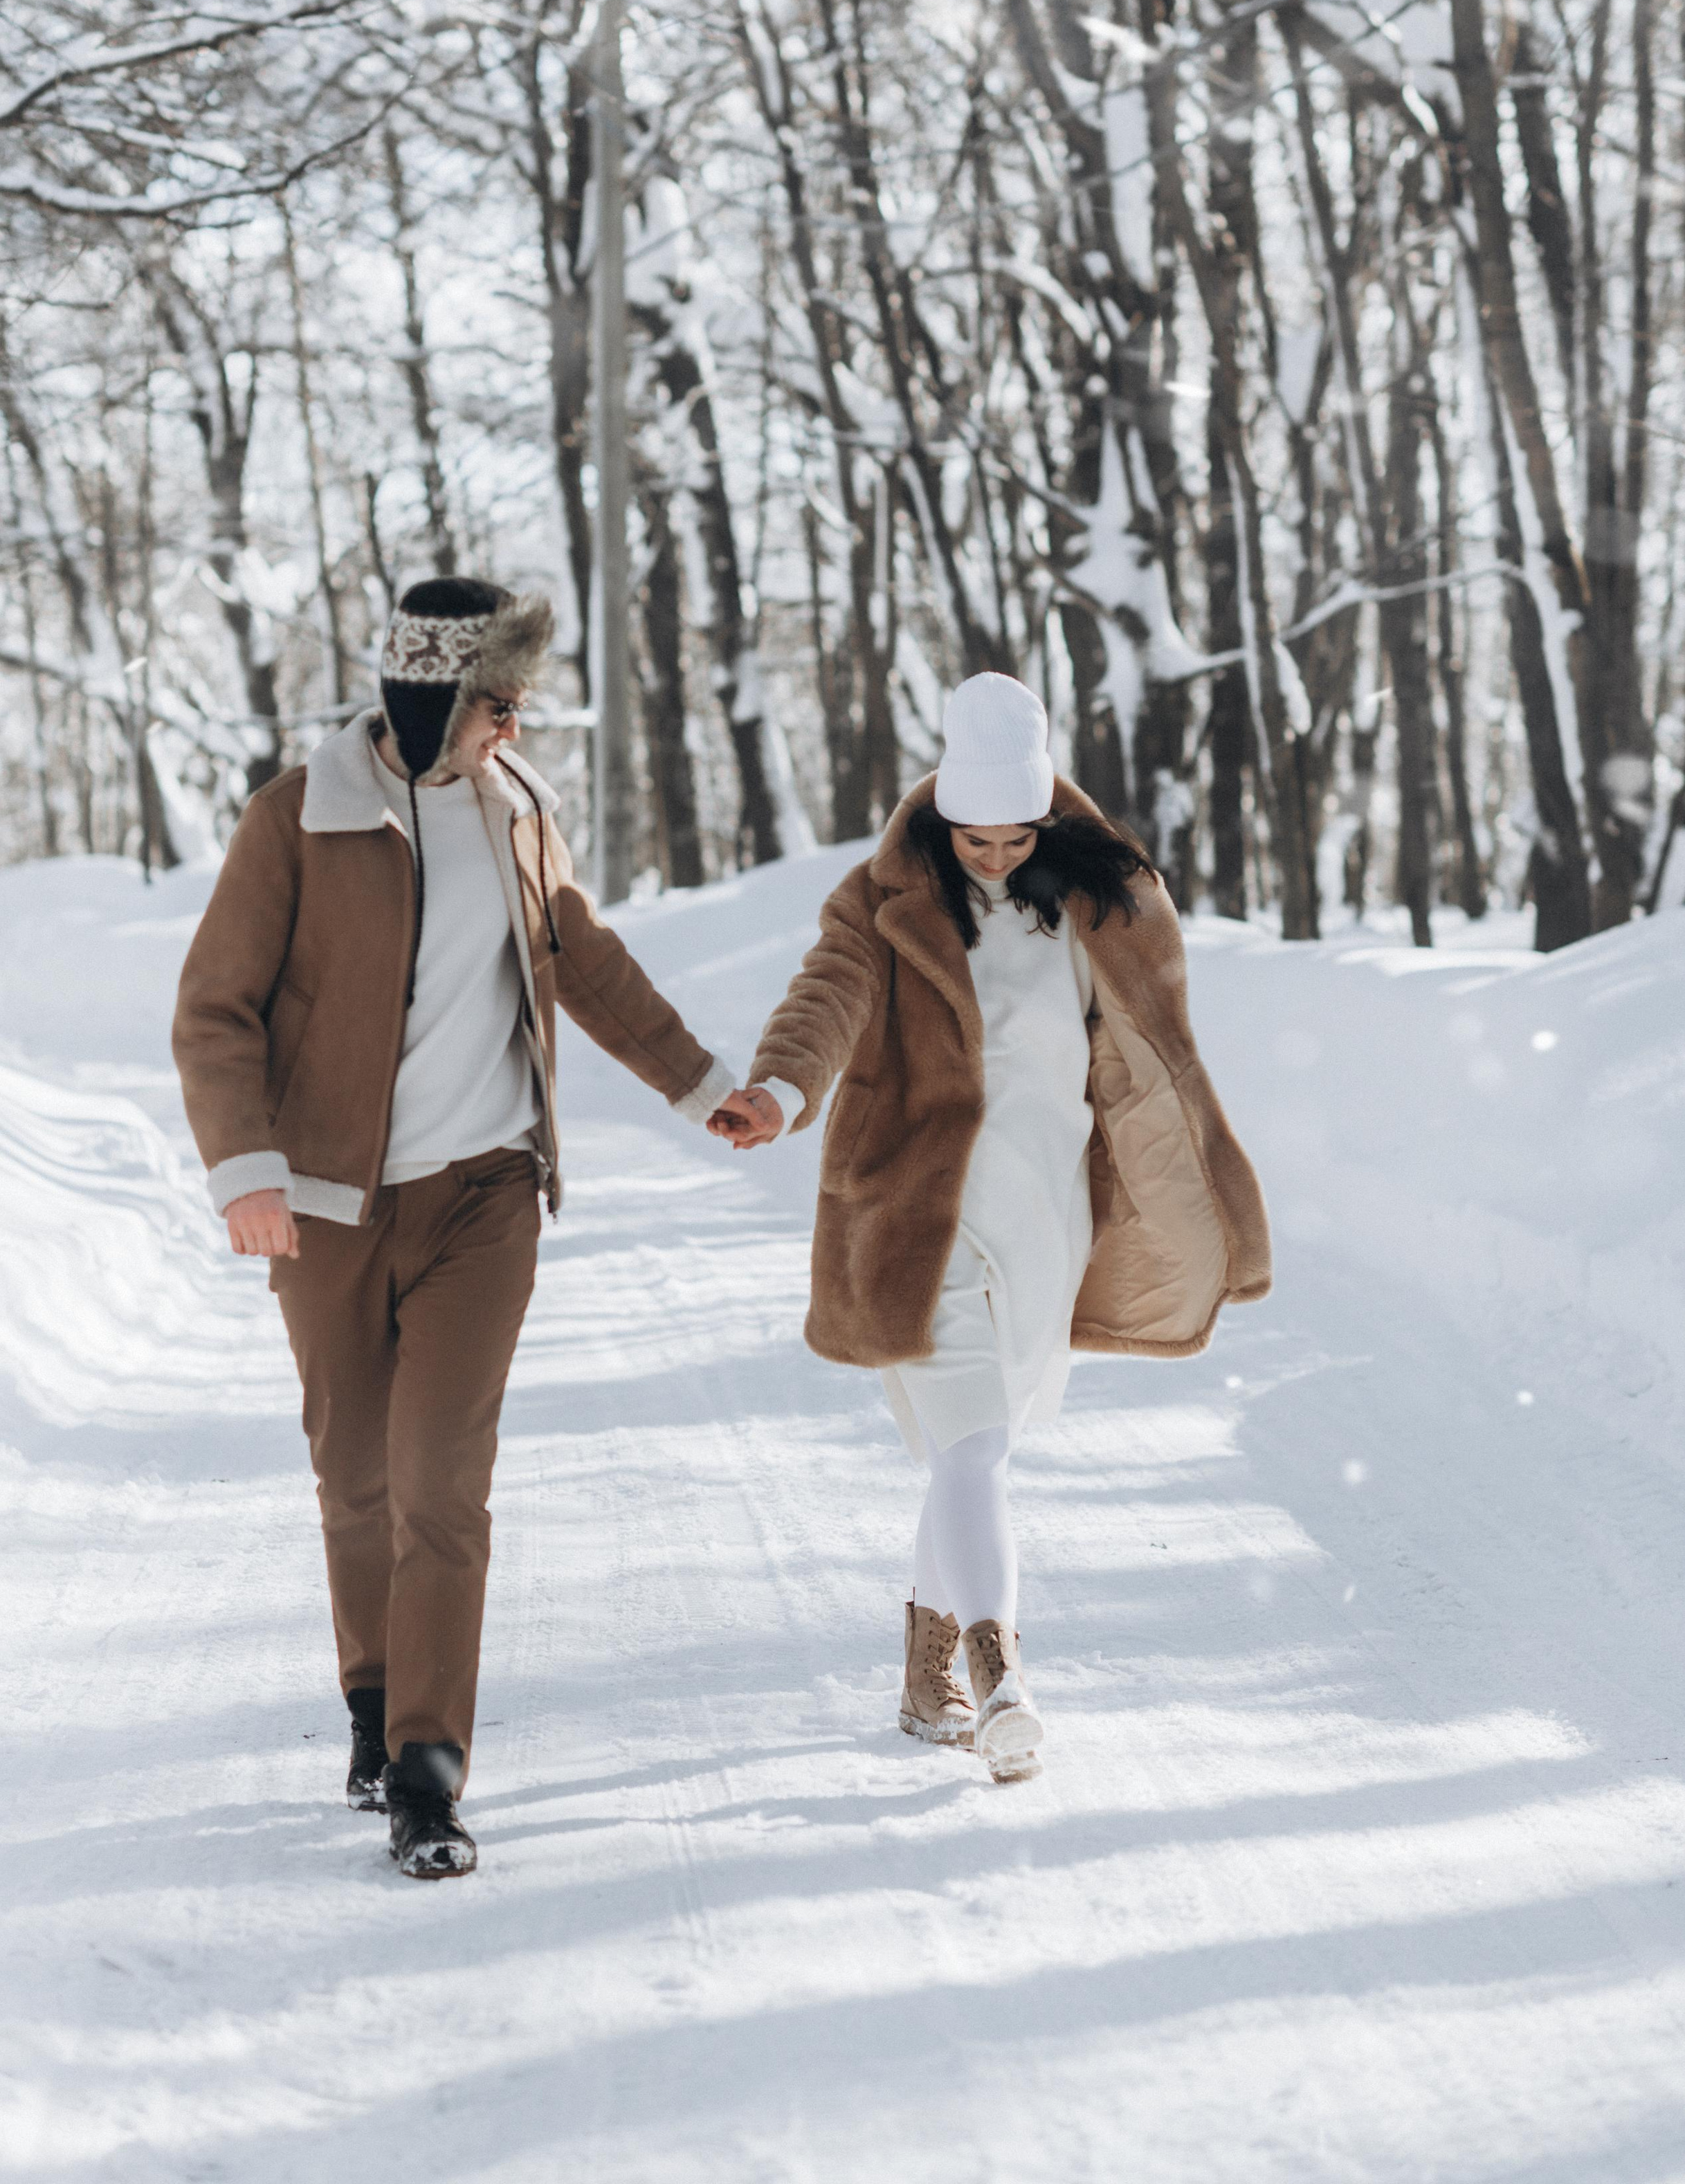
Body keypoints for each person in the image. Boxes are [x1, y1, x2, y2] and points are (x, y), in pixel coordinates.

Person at [174, 576, 759, 1878]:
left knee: (441, 1485)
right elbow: (215, 1008)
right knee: (357, 1479)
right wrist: (247, 1169)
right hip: (330, 1206)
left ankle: (428, 1775)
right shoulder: (296, 822)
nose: (516, 729)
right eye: (499, 705)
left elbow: (586, 960)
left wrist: (701, 1084)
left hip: (486, 1195)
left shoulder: (518, 809)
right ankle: (374, 1706)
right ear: (433, 698)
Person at [711, 673, 1270, 1783]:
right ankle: (1000, 1672)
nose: (999, 858)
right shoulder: (886, 901)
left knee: (979, 1454)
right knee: (969, 1447)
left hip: (1045, 1214)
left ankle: (926, 1678)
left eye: (1020, 838)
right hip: (918, 1212)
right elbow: (828, 995)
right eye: (978, 840)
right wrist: (778, 1087)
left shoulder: (1101, 901)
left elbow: (1154, 1047)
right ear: (944, 817)